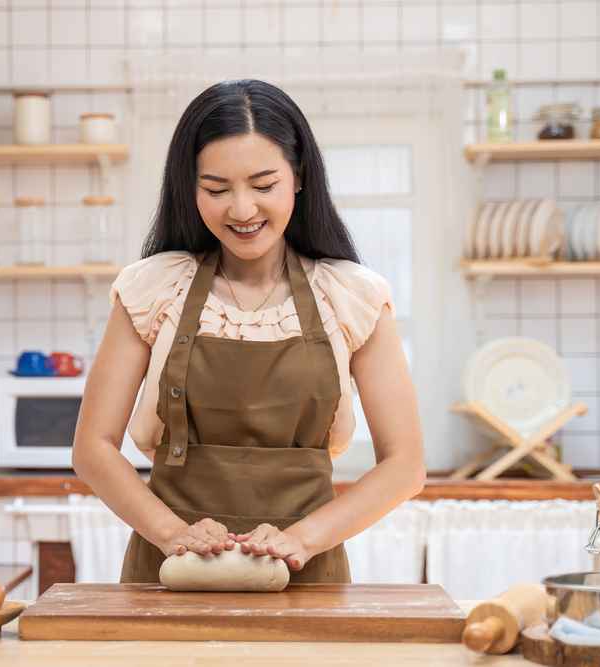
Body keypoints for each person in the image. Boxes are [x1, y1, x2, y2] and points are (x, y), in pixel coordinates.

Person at [73, 79, 424, 584]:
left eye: (263, 186)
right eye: (216, 189)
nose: (241, 210)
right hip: (171, 573)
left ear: (298, 177)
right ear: (189, 188)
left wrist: (301, 539)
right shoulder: (152, 288)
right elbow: (93, 447)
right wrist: (172, 533)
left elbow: (405, 466)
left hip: (307, 573)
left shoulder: (352, 297)